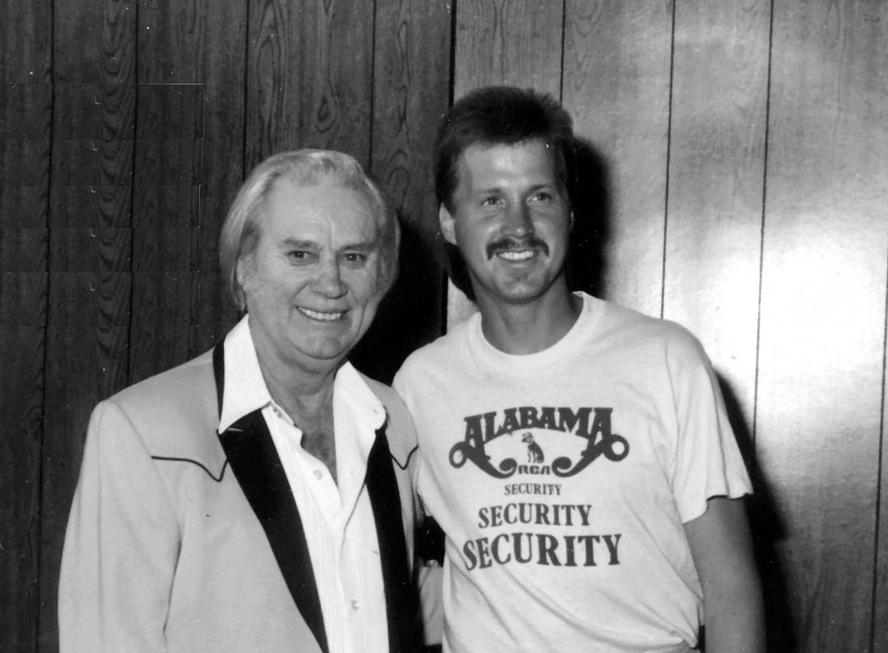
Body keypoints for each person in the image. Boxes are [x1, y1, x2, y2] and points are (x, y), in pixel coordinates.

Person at [393, 87, 765, 652]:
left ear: (569, 209)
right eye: (490, 200)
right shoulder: (420, 384)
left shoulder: (666, 361)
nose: (518, 225)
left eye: (538, 196)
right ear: (449, 220)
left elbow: (732, 589)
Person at [59, 149, 429, 652]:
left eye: (354, 257)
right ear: (242, 270)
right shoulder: (143, 432)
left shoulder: (396, 423)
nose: (331, 283)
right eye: (300, 254)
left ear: (381, 277)